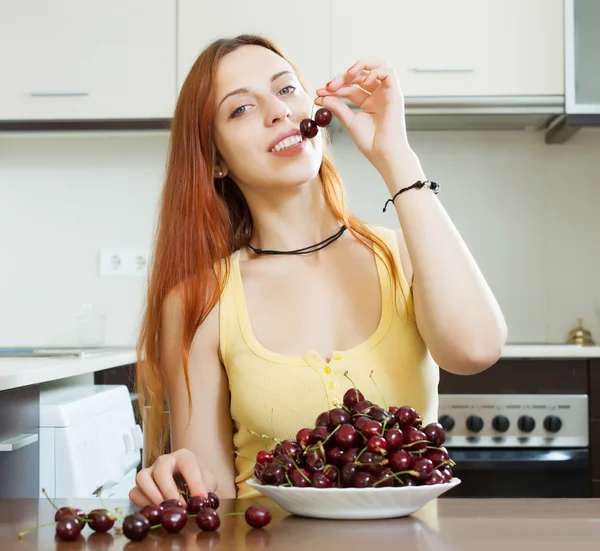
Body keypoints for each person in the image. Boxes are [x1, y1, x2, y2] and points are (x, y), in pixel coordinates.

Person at [128, 34, 507, 506]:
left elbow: (476, 350)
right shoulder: (199, 299)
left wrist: (396, 159)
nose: (278, 111)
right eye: (241, 109)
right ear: (217, 160)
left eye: (286, 90)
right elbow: (214, 496)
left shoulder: (402, 257)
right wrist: (174, 479)